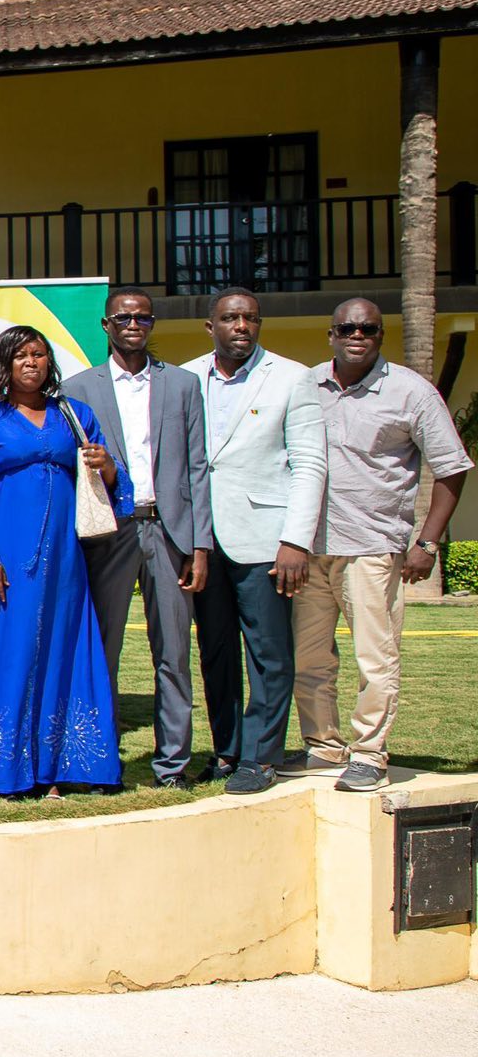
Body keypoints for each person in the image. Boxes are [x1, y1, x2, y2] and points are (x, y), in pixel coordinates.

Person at [289, 299, 469, 793]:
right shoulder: (306, 386)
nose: (357, 335)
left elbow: (451, 468)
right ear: (331, 334)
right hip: (309, 547)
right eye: (347, 327)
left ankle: (369, 752)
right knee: (309, 658)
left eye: (367, 328)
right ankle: (323, 747)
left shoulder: (411, 391)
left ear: (380, 335)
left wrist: (426, 543)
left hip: (372, 545)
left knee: (376, 658)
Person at [0, 327, 129, 796]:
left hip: (65, 563)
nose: (32, 362)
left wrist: (107, 466)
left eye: (39, 354)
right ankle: (3, 766)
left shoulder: (74, 415)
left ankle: (58, 766)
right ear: (3, 365)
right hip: (4, 559)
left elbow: (116, 486)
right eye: (20, 356)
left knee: (61, 649)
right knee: (7, 653)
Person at [63, 287, 214, 789]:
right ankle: (99, 760)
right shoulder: (79, 388)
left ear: (152, 325)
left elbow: (197, 470)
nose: (133, 324)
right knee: (100, 649)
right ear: (106, 325)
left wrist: (200, 545)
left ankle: (172, 763)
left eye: (143, 317)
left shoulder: (183, 385)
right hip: (111, 532)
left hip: (167, 531)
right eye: (124, 317)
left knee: (172, 652)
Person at [183, 289, 326, 794]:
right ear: (211, 326)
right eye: (230, 318)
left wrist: (295, 541)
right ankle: (227, 750)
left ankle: (261, 756)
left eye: (249, 318)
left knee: (268, 651)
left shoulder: (293, 378)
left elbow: (309, 464)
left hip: (265, 538)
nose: (241, 326)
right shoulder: (187, 376)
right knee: (215, 649)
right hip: (201, 539)